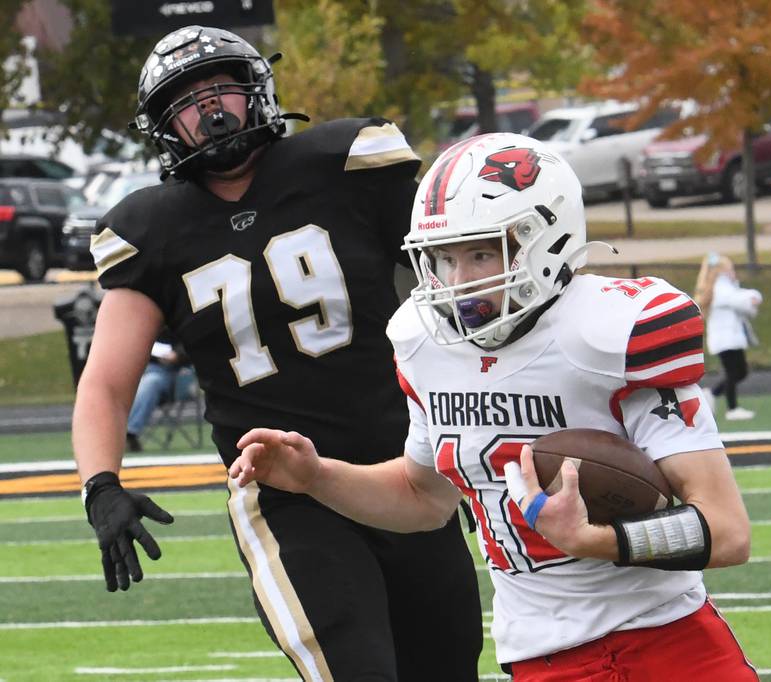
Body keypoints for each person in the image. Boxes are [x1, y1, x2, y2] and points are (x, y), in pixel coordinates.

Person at [231, 133, 757, 680]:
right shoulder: (425, 343)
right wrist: (318, 476)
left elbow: (727, 530)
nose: (459, 282)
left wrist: (590, 540)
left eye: (481, 253)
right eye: (444, 258)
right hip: (538, 658)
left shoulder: (613, 332)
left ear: (547, 239)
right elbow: (421, 496)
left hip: (667, 643)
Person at [72, 25, 482, 682]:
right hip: (285, 496)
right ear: (163, 125)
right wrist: (101, 486)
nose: (209, 110)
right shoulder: (150, 228)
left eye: (220, 88)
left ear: (254, 89)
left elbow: (457, 276)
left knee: (446, 666)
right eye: (187, 100)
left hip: (404, 471)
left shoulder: (346, 162)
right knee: (357, 669)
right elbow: (107, 385)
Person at [694, 252, 762, 420]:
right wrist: (754, 296)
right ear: (722, 272)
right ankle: (732, 408)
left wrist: (752, 298)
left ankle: (712, 393)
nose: (734, 272)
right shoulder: (721, 288)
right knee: (735, 372)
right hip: (726, 340)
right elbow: (739, 300)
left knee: (740, 372)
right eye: (731, 269)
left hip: (728, 339)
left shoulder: (724, 288)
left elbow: (742, 302)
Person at [125, 332, 192, 452]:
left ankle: (129, 433)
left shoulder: (175, 321)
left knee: (151, 382)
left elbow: (191, 348)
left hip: (169, 373)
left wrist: (177, 355)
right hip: (137, 370)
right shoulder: (137, 322)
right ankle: (111, 432)